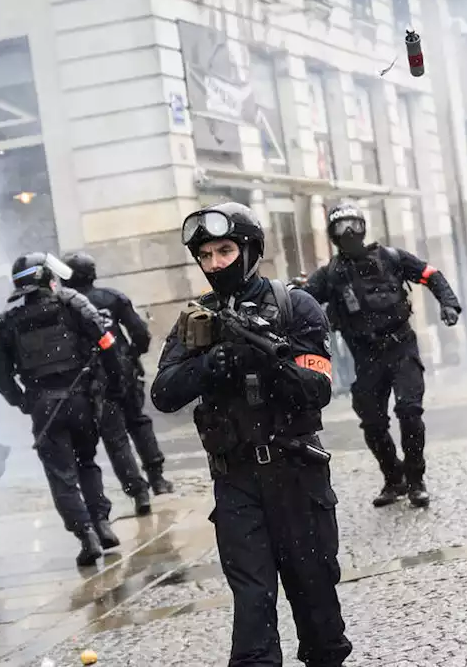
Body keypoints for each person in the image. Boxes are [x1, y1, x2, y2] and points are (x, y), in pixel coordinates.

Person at [152, 202, 352, 666]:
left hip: (296, 473)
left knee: (317, 607)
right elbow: (163, 393)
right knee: (252, 611)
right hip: (236, 481)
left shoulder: (293, 305)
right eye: (206, 255)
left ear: (250, 248)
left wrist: (267, 360)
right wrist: (211, 365)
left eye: (225, 250)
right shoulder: (196, 320)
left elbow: (318, 387)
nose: (216, 263)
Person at [299, 201, 461, 508]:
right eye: (340, 227)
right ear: (332, 235)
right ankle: (393, 479)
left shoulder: (392, 258)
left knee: (409, 412)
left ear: (363, 227)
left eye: (354, 225)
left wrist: (448, 303)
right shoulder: (330, 275)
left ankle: (415, 479)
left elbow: (431, 275)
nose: (349, 233)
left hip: (402, 347)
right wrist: (290, 294)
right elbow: (302, 302)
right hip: (365, 356)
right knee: (372, 423)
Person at [0, 252, 127, 566]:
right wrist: (115, 385)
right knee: (87, 462)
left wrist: (24, 403)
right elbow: (107, 345)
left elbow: (1, 377)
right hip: (82, 400)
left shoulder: (7, 323)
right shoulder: (73, 304)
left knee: (61, 475)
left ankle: (86, 535)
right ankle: (102, 523)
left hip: (43, 405)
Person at [63, 251, 174, 497]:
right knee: (137, 421)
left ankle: (137, 491)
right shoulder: (111, 297)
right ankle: (157, 479)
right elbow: (139, 332)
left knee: (114, 435)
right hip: (124, 369)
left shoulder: (66, 306)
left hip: (94, 376)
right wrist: (132, 354)